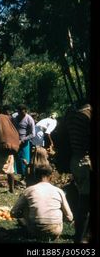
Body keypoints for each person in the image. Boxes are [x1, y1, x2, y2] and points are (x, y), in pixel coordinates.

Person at [10, 165, 73, 241]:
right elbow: (70, 217)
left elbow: (13, 213)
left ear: (35, 176)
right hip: (55, 231)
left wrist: (24, 215)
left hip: (34, 230)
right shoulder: (59, 191)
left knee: (26, 205)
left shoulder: (29, 190)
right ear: (51, 176)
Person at [66, 103, 91, 243]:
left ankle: (82, 235)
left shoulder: (72, 114)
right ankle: (80, 238)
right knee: (85, 204)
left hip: (76, 160)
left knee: (83, 200)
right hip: (86, 161)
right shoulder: (87, 114)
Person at [13, 104, 35, 182]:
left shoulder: (29, 119)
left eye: (23, 113)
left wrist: (23, 140)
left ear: (25, 111)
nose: (21, 114)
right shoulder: (15, 117)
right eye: (19, 112)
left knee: (25, 160)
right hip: (15, 141)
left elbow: (33, 134)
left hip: (24, 142)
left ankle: (25, 177)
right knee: (16, 160)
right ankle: (18, 176)